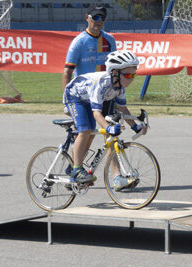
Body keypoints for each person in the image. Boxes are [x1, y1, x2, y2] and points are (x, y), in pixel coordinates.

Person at [63, 50, 147, 190]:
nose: (131, 79)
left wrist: (136, 127)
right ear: (114, 73)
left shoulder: (120, 87)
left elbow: (123, 109)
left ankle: (116, 178)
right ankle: (76, 169)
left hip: (96, 100)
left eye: (134, 74)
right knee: (86, 130)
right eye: (127, 75)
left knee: (106, 135)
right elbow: (96, 113)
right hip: (75, 97)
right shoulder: (101, 84)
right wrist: (108, 127)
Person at [63, 5, 117, 115]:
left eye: (102, 18)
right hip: (84, 93)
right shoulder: (79, 42)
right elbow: (67, 72)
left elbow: (114, 69)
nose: (99, 21)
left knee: (111, 129)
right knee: (87, 131)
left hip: (104, 92)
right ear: (87, 17)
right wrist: (67, 102)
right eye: (95, 18)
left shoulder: (110, 40)